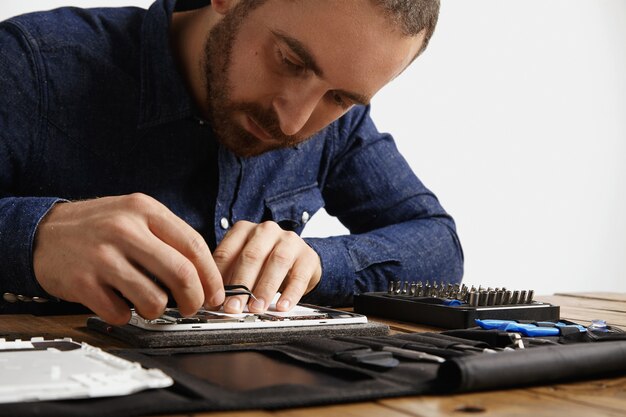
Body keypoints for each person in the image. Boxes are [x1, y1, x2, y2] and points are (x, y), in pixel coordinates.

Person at [0, 0, 463, 324]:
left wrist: (317, 263)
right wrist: (36, 236)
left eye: (341, 97)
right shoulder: (30, 64)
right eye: (290, 61)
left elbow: (438, 244)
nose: (293, 121)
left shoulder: (338, 125)